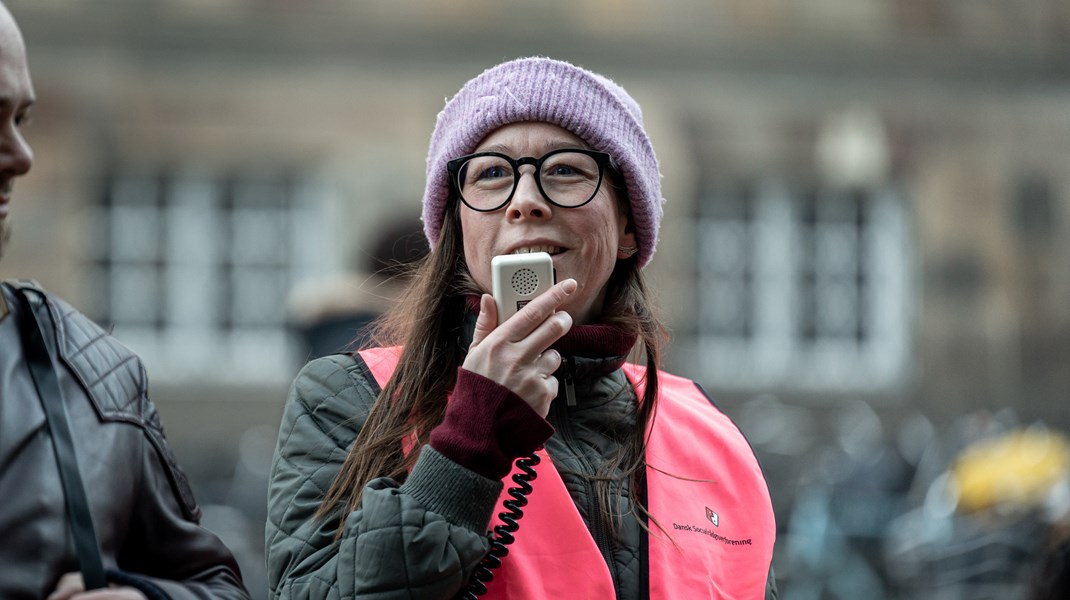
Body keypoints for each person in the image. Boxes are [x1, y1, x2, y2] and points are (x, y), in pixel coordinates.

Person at [266, 57, 778, 599]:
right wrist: (470, 440)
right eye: (491, 174)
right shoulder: (351, 400)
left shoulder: (708, 436)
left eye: (565, 170)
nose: (526, 201)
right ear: (458, 228)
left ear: (628, 225)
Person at [0, 4, 249, 599]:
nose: (22, 155)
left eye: (22, 119)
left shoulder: (93, 376)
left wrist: (146, 599)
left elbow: (215, 586)